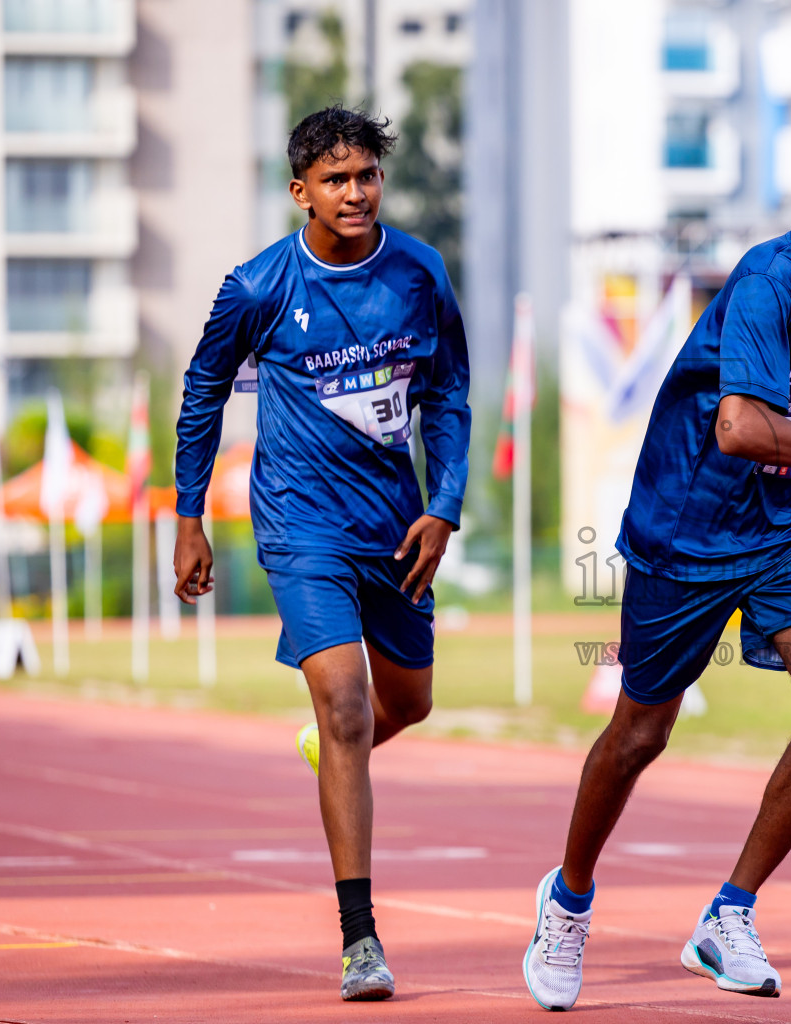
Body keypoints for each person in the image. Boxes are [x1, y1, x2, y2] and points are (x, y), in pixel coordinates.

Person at [522, 107, 791, 1011]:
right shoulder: (766, 281)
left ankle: (729, 914)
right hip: (691, 527)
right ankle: (567, 898)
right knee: (641, 733)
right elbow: (743, 423)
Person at [171, 106, 470, 1002]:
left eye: (367, 175)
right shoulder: (258, 286)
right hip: (300, 527)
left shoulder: (420, 272)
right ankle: (360, 939)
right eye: (335, 179)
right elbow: (202, 392)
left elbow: (449, 392)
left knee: (406, 704)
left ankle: (331, 744)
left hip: (397, 526)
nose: (355, 192)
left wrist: (444, 508)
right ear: (300, 191)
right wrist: (189, 517)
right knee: (347, 706)